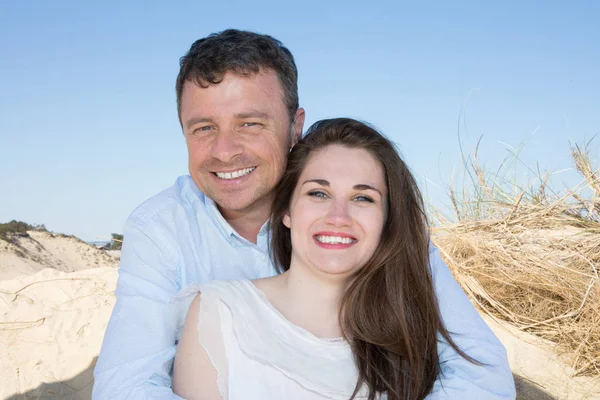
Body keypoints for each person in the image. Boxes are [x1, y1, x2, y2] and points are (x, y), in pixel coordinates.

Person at [93, 29, 515, 399]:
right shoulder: (160, 229)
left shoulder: (360, 220)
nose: (224, 151)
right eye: (203, 128)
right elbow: (124, 385)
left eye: (250, 124)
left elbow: (480, 371)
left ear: (296, 126)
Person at [171, 118, 515, 400]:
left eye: (363, 198)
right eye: (318, 193)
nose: (338, 216)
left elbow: (486, 375)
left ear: (386, 221)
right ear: (287, 210)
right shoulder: (218, 312)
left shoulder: (405, 334)